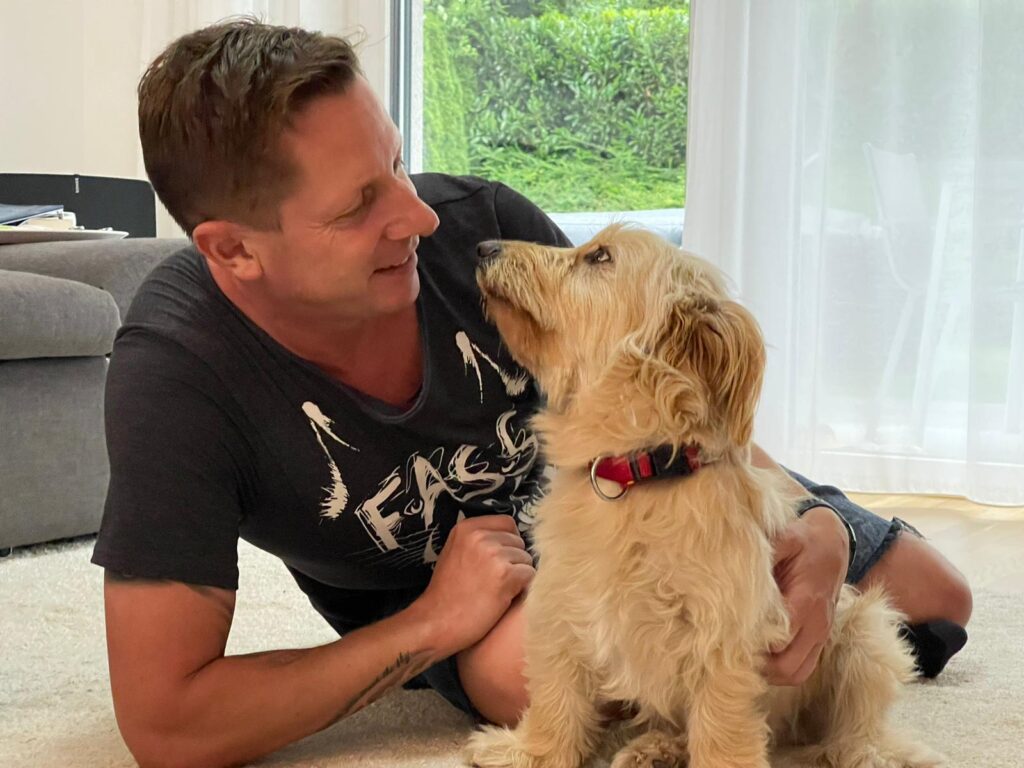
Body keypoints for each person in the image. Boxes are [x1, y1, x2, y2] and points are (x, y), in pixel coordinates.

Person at [91, 18, 972, 768]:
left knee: (936, 597)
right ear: (234, 250)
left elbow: (681, 398)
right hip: (473, 600)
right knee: (543, 678)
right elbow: (166, 722)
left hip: (657, 489)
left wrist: (804, 524)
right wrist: (429, 625)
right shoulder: (180, 377)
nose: (417, 217)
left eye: (397, 164)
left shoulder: (481, 224)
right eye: (358, 206)